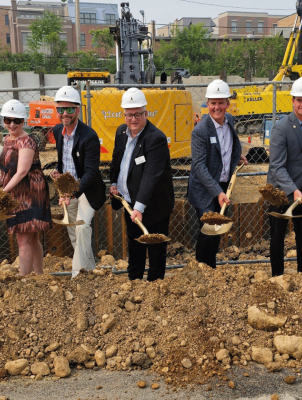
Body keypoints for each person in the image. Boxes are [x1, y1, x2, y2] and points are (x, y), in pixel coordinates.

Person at [109, 88, 174, 281]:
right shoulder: (121, 132)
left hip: (154, 205)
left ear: (145, 113)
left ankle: (155, 287)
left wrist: (139, 207)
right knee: (134, 245)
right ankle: (134, 283)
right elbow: (117, 161)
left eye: (138, 114)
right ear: (124, 115)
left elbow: (151, 175)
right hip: (130, 203)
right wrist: (114, 184)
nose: (133, 119)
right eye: (129, 115)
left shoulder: (156, 139)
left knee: (156, 249)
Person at [266, 77, 302, 276]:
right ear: (292, 101)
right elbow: (277, 166)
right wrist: (293, 190)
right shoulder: (281, 128)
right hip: (280, 190)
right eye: (299, 100)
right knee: (278, 236)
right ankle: (277, 276)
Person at [188, 79, 247, 268]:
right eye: (213, 103)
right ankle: (202, 268)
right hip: (205, 189)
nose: (217, 107)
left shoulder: (230, 120)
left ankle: (210, 267)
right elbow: (199, 166)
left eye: (221, 102)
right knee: (208, 229)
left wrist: (235, 158)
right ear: (207, 105)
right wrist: (217, 192)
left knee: (217, 230)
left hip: (223, 186)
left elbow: (226, 149)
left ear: (227, 104)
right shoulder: (201, 131)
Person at [50, 86, 106, 277]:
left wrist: (73, 192)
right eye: (61, 109)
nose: (65, 114)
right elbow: (64, 162)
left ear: (78, 110)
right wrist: (57, 173)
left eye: (69, 109)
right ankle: (88, 271)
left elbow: (91, 172)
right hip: (68, 191)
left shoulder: (89, 137)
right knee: (75, 235)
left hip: (86, 191)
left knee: (82, 227)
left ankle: (77, 275)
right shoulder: (58, 131)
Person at [0, 99, 52, 276]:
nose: (12, 124)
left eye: (17, 121)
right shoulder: (7, 139)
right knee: (32, 237)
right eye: (8, 120)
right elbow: (11, 168)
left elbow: (22, 171)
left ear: (23, 122)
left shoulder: (26, 142)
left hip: (30, 193)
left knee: (23, 236)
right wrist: (2, 177)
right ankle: (39, 276)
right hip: (16, 191)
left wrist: (3, 191)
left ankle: (24, 279)